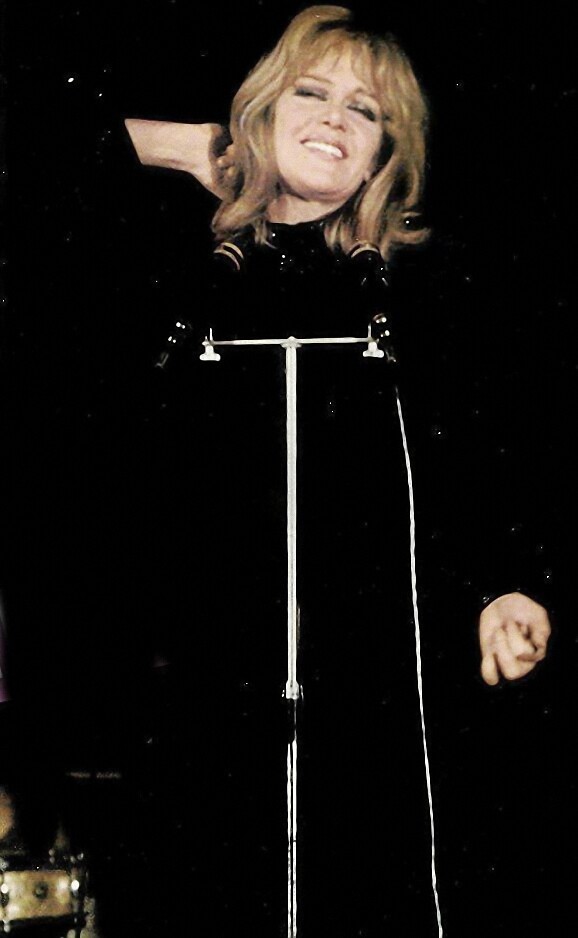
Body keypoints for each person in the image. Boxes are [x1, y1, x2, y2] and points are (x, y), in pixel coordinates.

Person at [122, 6, 554, 936]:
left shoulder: (424, 291)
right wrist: (189, 146)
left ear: (385, 152)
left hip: (375, 725)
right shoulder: (176, 271)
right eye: (310, 93)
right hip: (203, 719)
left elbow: (487, 469)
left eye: (365, 110)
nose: (334, 118)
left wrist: (506, 588)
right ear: (261, 113)